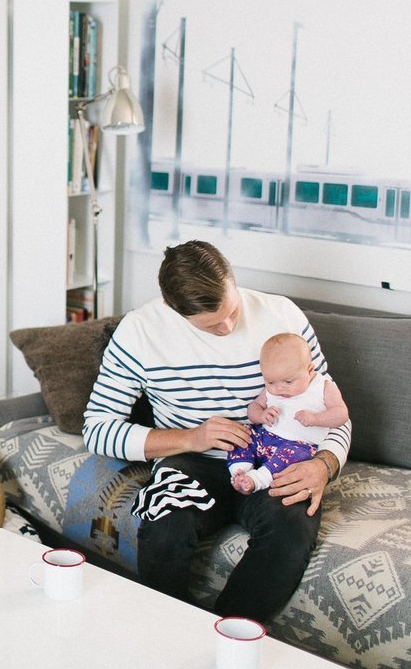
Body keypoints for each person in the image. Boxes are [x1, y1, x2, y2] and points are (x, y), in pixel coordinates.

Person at [82, 240, 351, 623]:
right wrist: (191, 437)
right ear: (173, 309)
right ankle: (168, 637)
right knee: (164, 527)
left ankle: (225, 643)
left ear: (232, 279)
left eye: (232, 310)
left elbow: (334, 410)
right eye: (211, 325)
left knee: (291, 530)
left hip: (273, 460)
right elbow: (97, 429)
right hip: (192, 462)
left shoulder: (283, 316)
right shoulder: (138, 333)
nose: (227, 327)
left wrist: (324, 465)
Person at [228, 332, 350, 494]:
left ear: (310, 370)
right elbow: (254, 407)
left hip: (298, 445)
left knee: (292, 457)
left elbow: (341, 414)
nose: (279, 388)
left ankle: (257, 479)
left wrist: (315, 418)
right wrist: (261, 415)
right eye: (270, 382)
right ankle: (240, 470)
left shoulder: (323, 387)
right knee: (241, 432)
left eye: (288, 382)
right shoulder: (273, 388)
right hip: (265, 437)